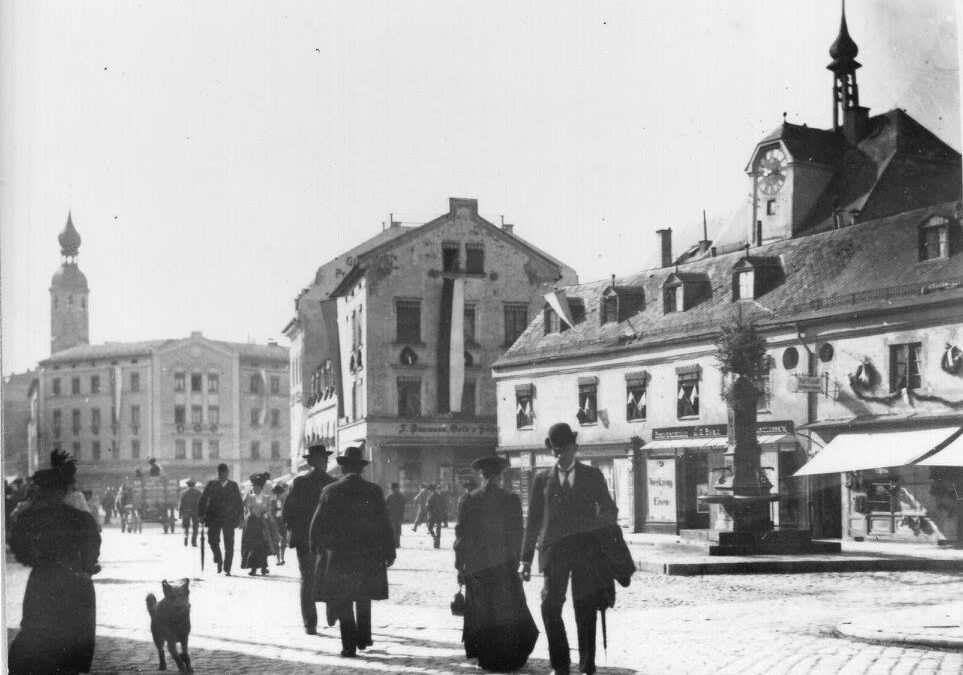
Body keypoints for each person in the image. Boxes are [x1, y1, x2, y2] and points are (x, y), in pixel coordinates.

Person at [520, 422, 619, 675]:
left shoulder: (592, 476)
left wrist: (597, 522)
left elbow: (610, 510)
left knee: (585, 608)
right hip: (554, 552)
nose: (559, 455)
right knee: (550, 606)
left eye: (564, 449)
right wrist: (525, 559)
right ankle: (561, 664)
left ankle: (587, 666)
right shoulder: (542, 479)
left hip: (586, 552)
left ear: (574, 447)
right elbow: (532, 520)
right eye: (555, 450)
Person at [8, 450, 101, 675]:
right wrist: (86, 567)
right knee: (75, 637)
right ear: (64, 491)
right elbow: (92, 551)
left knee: (36, 630)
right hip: (75, 584)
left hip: (43, 581)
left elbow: (18, 545)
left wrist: (37, 559)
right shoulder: (81, 519)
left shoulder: (31, 517)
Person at [455, 455, 539, 672]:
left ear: (481, 475)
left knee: (483, 612)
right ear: (500, 475)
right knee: (508, 609)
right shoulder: (510, 499)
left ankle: (486, 657)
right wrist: (521, 560)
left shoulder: (469, 499)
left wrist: (460, 566)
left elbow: (461, 537)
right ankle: (511, 656)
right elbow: (518, 534)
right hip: (504, 566)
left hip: (477, 567)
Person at [311, 446, 395, 658]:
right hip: (367, 554)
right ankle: (364, 637)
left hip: (339, 555)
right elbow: (385, 523)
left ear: (342, 467)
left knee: (343, 598)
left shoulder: (330, 491)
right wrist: (389, 550)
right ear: (361, 469)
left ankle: (348, 645)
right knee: (363, 594)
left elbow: (317, 524)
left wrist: (317, 548)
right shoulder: (374, 491)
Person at [282, 443, 336, 634]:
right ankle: (332, 612)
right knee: (330, 576)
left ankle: (310, 623)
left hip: (305, 539)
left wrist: (292, 530)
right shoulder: (333, 482)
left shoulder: (299, 483)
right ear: (324, 461)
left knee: (307, 579)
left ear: (310, 461)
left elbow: (287, 512)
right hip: (329, 540)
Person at [198, 463, 244, 576]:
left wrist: (241, 518)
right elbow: (203, 500)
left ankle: (227, 567)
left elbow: (239, 503)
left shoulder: (233, 485)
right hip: (213, 517)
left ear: (227, 473)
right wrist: (201, 514)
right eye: (219, 473)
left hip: (229, 518)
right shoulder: (211, 484)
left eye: (223, 473)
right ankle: (218, 559)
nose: (221, 475)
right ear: (217, 473)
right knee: (212, 541)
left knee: (229, 544)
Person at [241, 472, 276, 576]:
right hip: (252, 524)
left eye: (257, 487)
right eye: (254, 486)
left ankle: (264, 567)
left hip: (263, 524)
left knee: (263, 546)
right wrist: (252, 514)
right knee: (252, 546)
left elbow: (269, 510)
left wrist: (265, 516)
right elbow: (247, 508)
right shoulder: (249, 497)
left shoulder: (266, 497)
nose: (255, 488)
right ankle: (253, 568)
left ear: (261, 487)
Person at [268, 483, 287, 565]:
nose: (278, 495)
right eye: (277, 493)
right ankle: (278, 559)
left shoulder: (284, 501)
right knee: (276, 540)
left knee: (284, 540)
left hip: (283, 522)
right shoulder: (272, 502)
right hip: (275, 522)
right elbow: (271, 512)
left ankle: (282, 557)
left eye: (279, 493)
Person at [179, 479, 202, 547]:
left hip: (186, 511)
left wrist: (180, 513)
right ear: (194, 485)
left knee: (186, 527)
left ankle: (186, 540)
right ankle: (193, 542)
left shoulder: (183, 493)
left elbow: (181, 504)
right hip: (195, 512)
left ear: (187, 485)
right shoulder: (198, 492)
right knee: (195, 527)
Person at [385, 483, 406, 548]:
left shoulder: (390, 496)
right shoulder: (401, 496)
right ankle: (397, 544)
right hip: (398, 516)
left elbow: (385, 506)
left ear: (392, 489)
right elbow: (403, 507)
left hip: (392, 516)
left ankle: (395, 544)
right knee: (397, 530)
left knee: (393, 530)